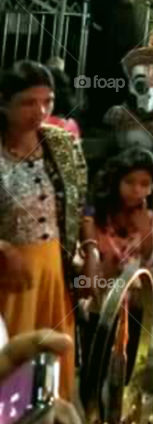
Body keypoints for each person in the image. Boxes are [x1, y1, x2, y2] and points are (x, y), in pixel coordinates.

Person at [0, 62, 85, 400]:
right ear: (4, 104)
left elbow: (81, 202)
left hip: (53, 271)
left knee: (52, 361)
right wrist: (4, 249)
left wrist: (89, 251)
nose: (40, 112)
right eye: (28, 103)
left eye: (47, 102)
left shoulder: (60, 144)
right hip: (9, 277)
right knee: (13, 359)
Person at [81, 148, 153, 297]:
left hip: (136, 303)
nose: (136, 190)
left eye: (144, 184)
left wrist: (145, 231)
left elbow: (150, 264)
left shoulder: (150, 219)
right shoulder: (95, 217)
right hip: (98, 300)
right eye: (129, 182)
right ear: (116, 182)